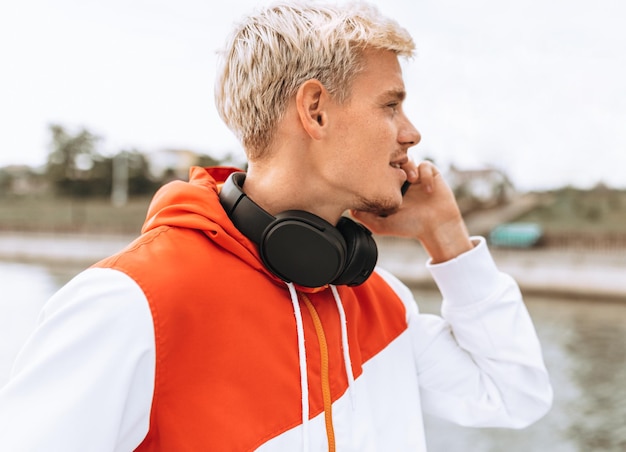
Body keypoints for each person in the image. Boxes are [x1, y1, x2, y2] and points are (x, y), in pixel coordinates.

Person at [0, 1, 552, 450]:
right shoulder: (131, 303)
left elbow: (513, 395)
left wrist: (447, 237)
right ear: (314, 110)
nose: (411, 133)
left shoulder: (382, 300)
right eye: (391, 105)